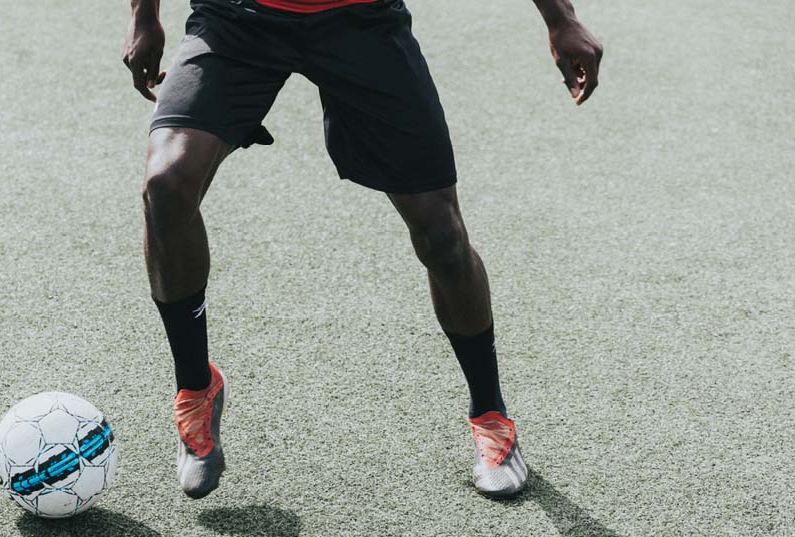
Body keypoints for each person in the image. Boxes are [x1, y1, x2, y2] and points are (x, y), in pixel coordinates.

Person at [123, 0, 602, 499]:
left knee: (441, 235)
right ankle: (196, 392)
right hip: (236, 19)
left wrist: (560, 18)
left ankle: (491, 416)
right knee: (166, 183)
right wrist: (143, 14)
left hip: (361, 20)